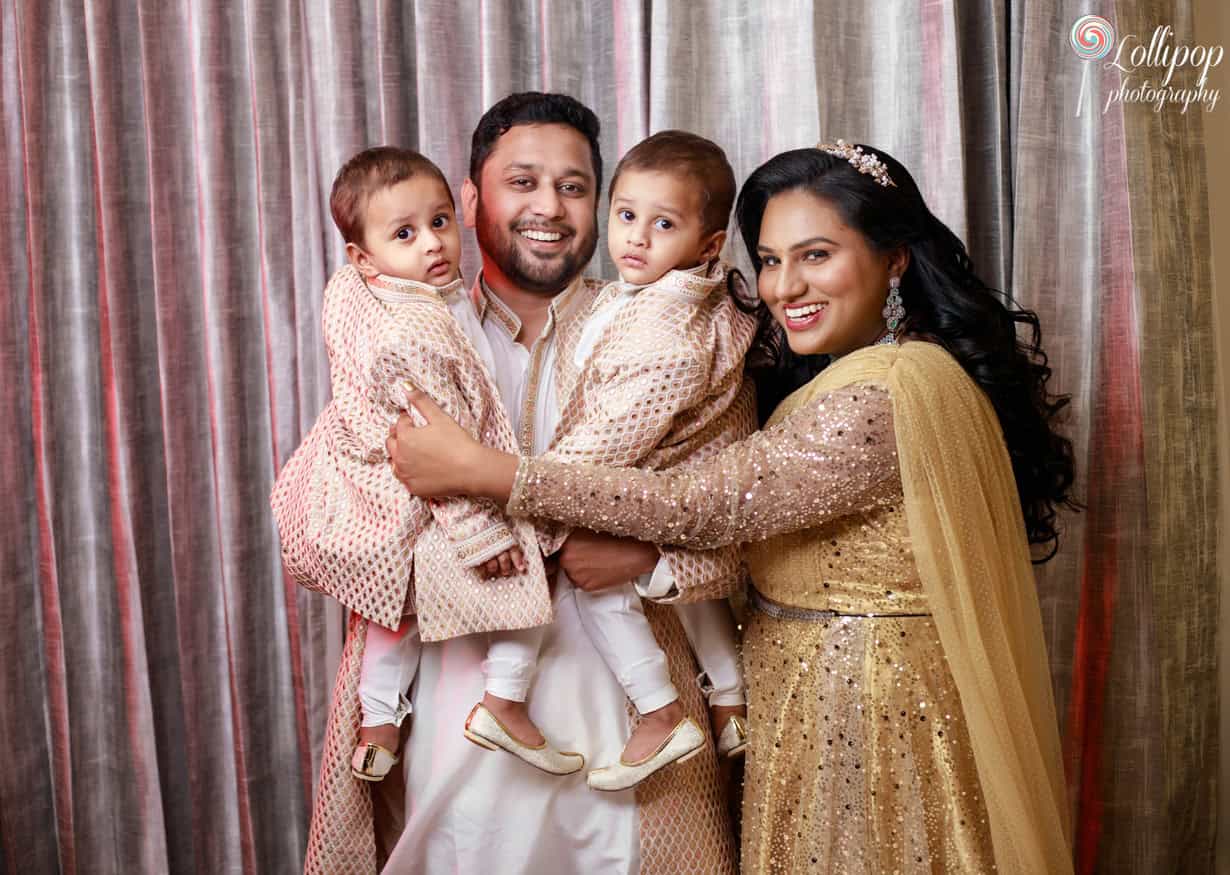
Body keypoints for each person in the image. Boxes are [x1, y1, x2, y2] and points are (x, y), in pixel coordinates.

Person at [387, 141, 1078, 873]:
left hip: (872, 715)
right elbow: (782, 532)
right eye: (773, 260)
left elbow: (704, 501)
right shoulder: (847, 374)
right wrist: (652, 563)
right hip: (811, 701)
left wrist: (483, 471)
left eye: (816, 255)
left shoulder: (888, 392)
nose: (785, 285)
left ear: (895, 258)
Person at [297, 95, 739, 874]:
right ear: (469, 201)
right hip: (459, 701)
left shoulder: (668, 334)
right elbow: (335, 522)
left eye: (573, 186)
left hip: (632, 715)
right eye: (522, 181)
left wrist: (649, 560)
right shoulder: (404, 339)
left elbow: (739, 520)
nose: (549, 207)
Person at [551, 130, 761, 785]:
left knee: (596, 582)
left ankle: (658, 709)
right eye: (626, 215)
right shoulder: (655, 296)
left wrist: (523, 486)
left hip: (668, 480)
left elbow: (609, 439)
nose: (636, 238)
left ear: (707, 246)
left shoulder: (669, 327)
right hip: (688, 482)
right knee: (699, 599)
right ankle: (729, 700)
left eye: (662, 223)